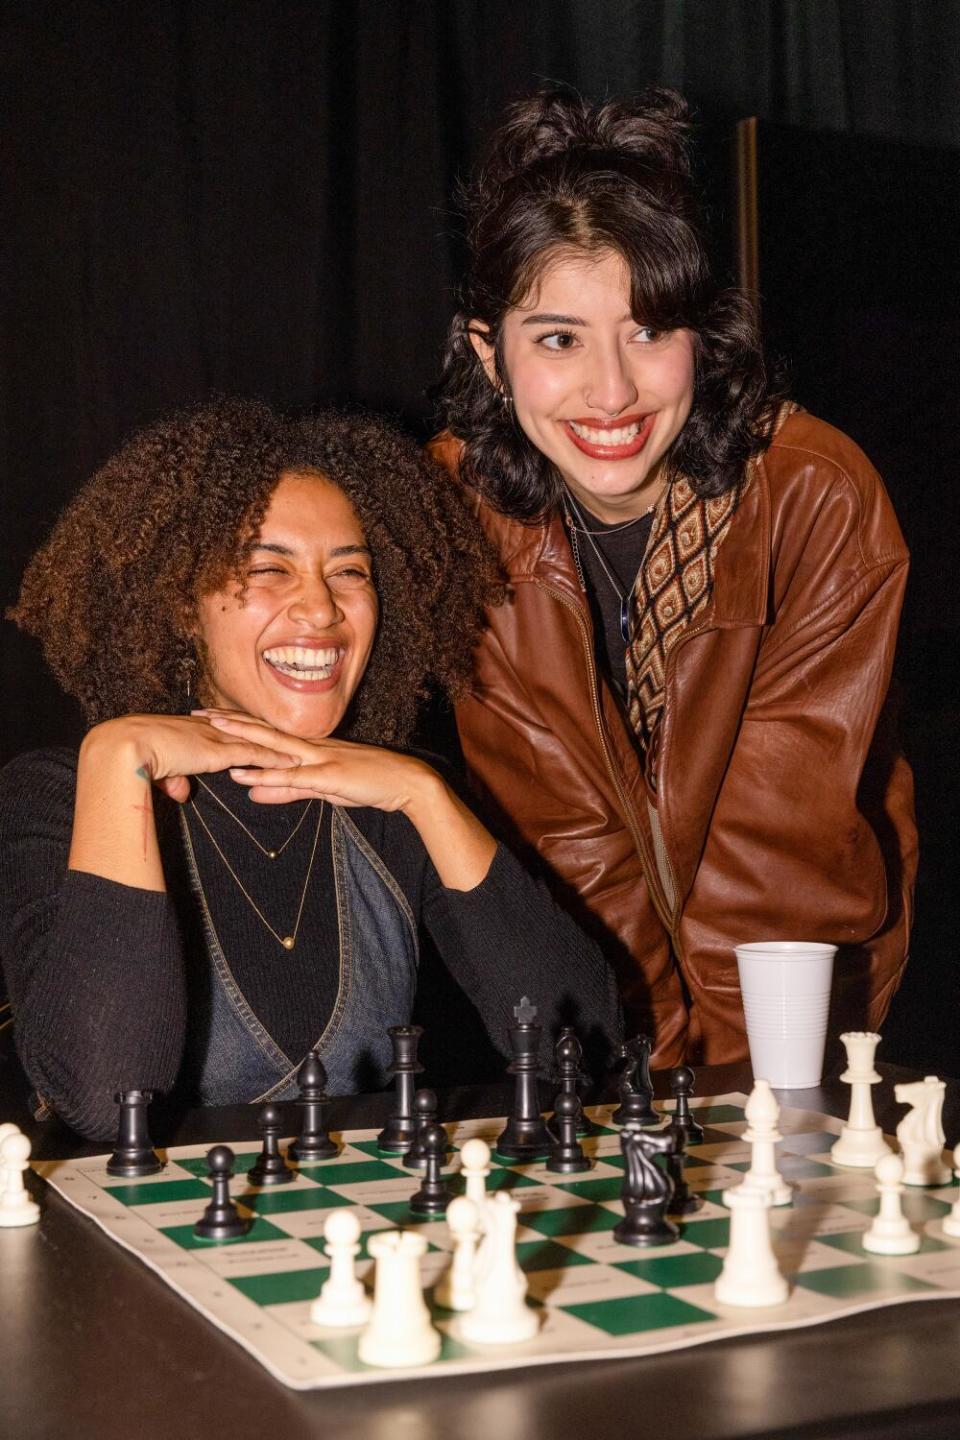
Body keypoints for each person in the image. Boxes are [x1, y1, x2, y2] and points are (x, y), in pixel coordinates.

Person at [433, 88, 917, 1067]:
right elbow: (560, 838)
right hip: (588, 1025)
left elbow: (777, 865)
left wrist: (726, 1127)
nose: (612, 390)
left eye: (650, 330)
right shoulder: (451, 511)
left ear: (701, 332)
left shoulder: (811, 495)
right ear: (491, 354)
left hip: (787, 1005)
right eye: (559, 338)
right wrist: (629, 1100)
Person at [0, 398, 621, 1140]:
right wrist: (116, 758)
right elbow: (104, 1099)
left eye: (350, 572)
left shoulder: (393, 800)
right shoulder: (59, 796)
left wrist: (426, 795)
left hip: (358, 1242)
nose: (322, 610)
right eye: (269, 569)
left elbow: (586, 1052)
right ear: (179, 605)